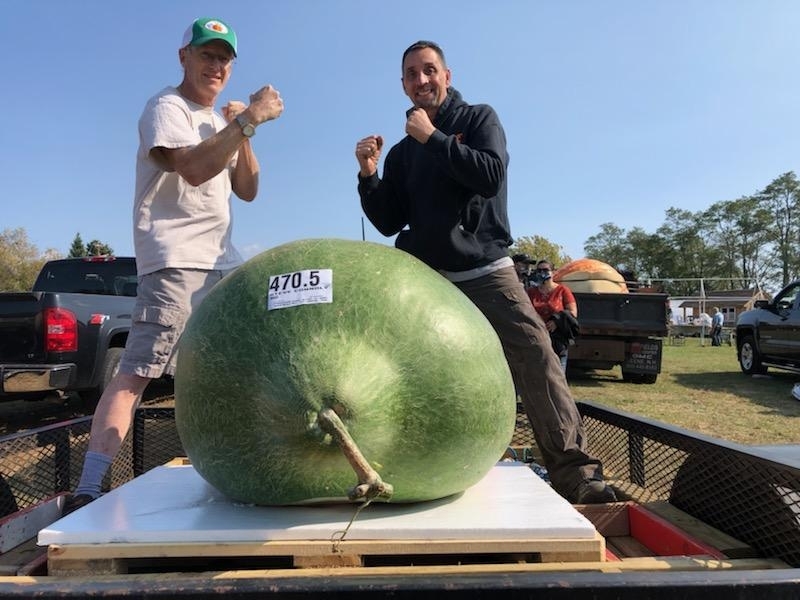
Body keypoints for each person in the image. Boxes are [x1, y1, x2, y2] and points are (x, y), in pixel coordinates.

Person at [355, 40, 615, 504]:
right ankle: (414, 468)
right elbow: (389, 220)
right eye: (411, 74)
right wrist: (368, 175)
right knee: (407, 369)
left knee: (536, 356)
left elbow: (490, 175)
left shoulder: (478, 119)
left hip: (485, 271)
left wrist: (434, 139)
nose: (421, 80)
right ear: (403, 85)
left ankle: (576, 475)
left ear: (447, 75)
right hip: (428, 281)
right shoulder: (401, 153)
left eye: (429, 70)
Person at [63, 17, 284, 515]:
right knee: (137, 373)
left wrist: (244, 131)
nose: (216, 65)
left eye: (224, 58)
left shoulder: (223, 123)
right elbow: (192, 169)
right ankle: (89, 487)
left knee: (234, 371)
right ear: (184, 57)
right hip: (175, 263)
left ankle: (242, 472)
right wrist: (249, 118)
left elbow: (248, 190)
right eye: (207, 54)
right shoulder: (166, 107)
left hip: (222, 265)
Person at [528, 260, 578, 372]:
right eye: (539, 270)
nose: (542, 273)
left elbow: (573, 312)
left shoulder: (563, 291)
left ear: (553, 272)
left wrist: (557, 321)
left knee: (558, 375)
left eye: (545, 270)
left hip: (557, 341)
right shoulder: (531, 292)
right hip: (537, 340)